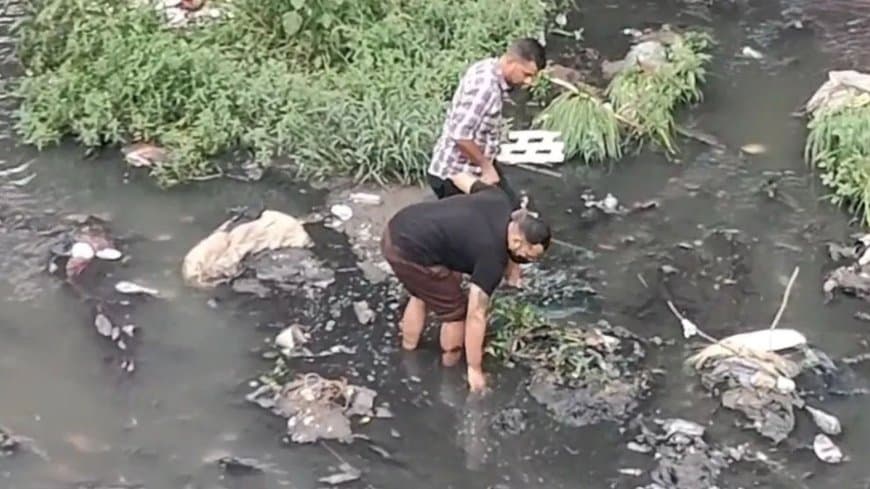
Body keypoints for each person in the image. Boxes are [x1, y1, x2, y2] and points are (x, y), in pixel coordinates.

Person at [381, 180, 552, 392]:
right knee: (456, 313)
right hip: (408, 251)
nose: (527, 261)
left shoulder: (499, 199)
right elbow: (476, 315)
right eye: (528, 256)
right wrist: (475, 368)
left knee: (423, 292)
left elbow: (461, 177)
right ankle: (450, 370)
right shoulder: (492, 259)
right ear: (517, 242)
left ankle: (408, 354)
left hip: (401, 226)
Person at [428, 37, 546, 201]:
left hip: (474, 165)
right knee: (496, 219)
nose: (529, 82)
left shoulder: (491, 67)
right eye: (526, 74)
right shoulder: (485, 88)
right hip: (456, 174)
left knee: (512, 209)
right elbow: (460, 135)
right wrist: (486, 167)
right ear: (511, 62)